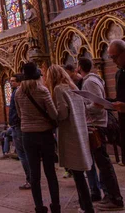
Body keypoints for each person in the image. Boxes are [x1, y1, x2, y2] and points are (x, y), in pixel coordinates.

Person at [46, 64, 94, 213]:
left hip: (70, 134)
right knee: (80, 171)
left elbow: (63, 113)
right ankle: (85, 205)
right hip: (80, 131)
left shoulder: (59, 89)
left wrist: (52, 115)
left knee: (78, 175)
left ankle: (88, 208)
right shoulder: (73, 87)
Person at [78, 57, 123, 210]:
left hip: (97, 125)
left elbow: (98, 105)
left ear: (79, 67)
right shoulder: (92, 80)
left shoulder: (90, 82)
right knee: (102, 163)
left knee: (104, 164)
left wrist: (83, 108)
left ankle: (115, 198)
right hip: (96, 124)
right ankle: (109, 195)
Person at [15, 61, 59, 213]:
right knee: (50, 172)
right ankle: (56, 206)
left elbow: (20, 115)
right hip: (44, 134)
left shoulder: (18, 92)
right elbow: (53, 114)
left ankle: (39, 207)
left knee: (34, 174)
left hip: (27, 134)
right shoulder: (42, 90)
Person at [9, 74, 31, 190]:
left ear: (19, 82)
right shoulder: (17, 91)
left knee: (23, 154)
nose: (11, 83)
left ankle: (30, 179)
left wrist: (15, 122)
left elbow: (18, 110)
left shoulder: (18, 92)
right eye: (10, 81)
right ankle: (31, 178)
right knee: (23, 154)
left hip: (18, 125)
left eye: (13, 81)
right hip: (17, 125)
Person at [108, 39, 125, 167]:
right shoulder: (119, 73)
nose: (113, 61)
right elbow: (120, 99)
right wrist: (105, 103)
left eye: (115, 57)